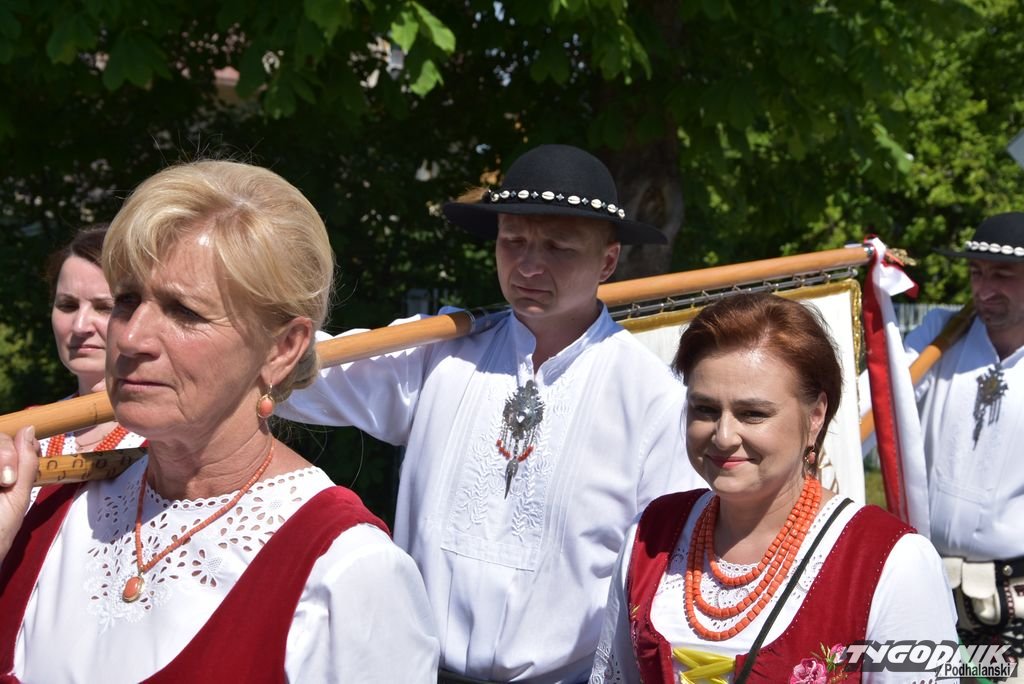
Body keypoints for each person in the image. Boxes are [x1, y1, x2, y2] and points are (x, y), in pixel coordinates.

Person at [0, 160, 439, 682]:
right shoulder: (49, 504)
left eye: (184, 311)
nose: (132, 339)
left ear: (283, 348)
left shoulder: (345, 574)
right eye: (128, 300)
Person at [278, 143, 702, 682]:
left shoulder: (652, 400)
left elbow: (672, 574)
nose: (529, 265)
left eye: (558, 247)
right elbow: (295, 374)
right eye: (512, 241)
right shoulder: (440, 353)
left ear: (608, 261)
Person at [591, 293, 958, 683]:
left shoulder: (892, 561)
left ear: (815, 416)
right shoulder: (652, 534)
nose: (724, 435)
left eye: (753, 413)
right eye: (705, 409)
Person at [903, 212, 1024, 662]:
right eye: (976, 272)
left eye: (1002, 275)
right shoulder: (939, 334)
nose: (983, 289)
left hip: (1016, 599)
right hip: (927, 588)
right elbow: (874, 406)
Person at [40, 224, 145, 455]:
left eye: (105, 307)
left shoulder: (174, 438)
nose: (80, 326)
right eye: (68, 306)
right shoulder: (29, 430)